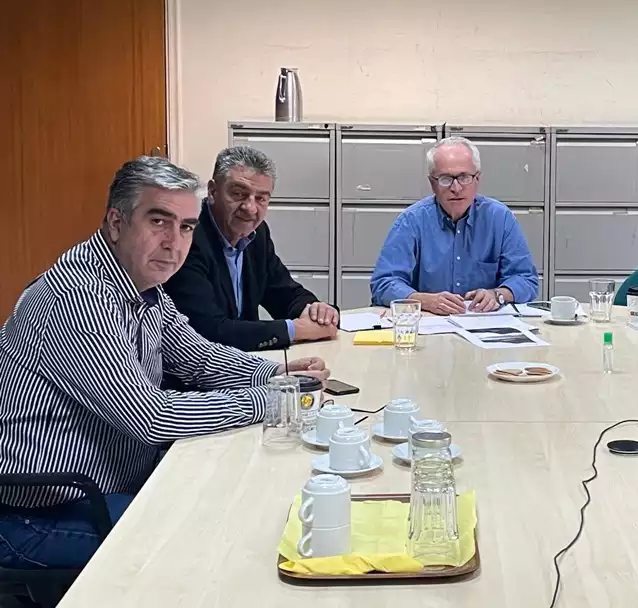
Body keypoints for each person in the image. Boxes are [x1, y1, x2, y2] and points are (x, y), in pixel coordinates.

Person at [0, 156, 329, 569]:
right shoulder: (78, 297)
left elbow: (198, 357)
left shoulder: (143, 286)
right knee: (218, 546)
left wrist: (276, 372)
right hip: (44, 510)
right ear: (116, 223)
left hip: (113, 483)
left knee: (246, 503)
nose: (175, 242)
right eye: (159, 221)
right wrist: (270, 398)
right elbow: (151, 418)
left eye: (187, 227)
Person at [163, 146, 338, 352]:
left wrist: (316, 311)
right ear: (212, 191)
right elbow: (207, 330)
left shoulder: (257, 233)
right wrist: (295, 330)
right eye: (238, 194)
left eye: (261, 198)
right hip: (201, 365)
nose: (250, 208)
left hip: (245, 361)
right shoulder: (188, 236)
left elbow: (283, 291)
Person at [370, 136, 540, 315]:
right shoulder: (411, 221)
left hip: (484, 324)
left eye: (464, 177)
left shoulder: (500, 218)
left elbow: (526, 279)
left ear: (477, 179)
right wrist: (423, 300)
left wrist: (497, 294)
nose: (456, 188)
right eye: (445, 179)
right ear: (432, 183)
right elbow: (383, 283)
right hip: (428, 324)